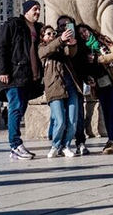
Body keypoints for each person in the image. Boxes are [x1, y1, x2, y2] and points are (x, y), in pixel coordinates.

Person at [0, 0, 44, 160]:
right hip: (14, 75)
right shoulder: (14, 24)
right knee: (15, 108)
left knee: (21, 109)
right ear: (26, 11)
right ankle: (15, 145)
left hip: (29, 77)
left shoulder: (38, 28)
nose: (37, 12)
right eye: (34, 9)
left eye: (39, 9)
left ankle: (15, 147)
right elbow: (2, 47)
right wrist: (3, 71)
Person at [78, 24, 113, 154]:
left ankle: (112, 140)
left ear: (89, 30)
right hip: (99, 84)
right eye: (80, 33)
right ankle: (111, 141)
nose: (84, 34)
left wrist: (99, 59)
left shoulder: (102, 40)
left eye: (85, 30)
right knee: (106, 111)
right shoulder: (82, 49)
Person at [56, 14, 94, 155]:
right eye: (62, 26)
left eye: (68, 25)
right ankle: (59, 144)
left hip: (76, 80)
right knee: (59, 115)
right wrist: (61, 40)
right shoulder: (55, 39)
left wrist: (87, 76)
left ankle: (80, 142)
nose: (65, 28)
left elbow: (83, 61)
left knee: (77, 114)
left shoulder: (78, 41)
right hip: (59, 82)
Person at [39, 25, 79, 157]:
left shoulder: (61, 48)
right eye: (48, 34)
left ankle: (66, 145)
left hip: (70, 86)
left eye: (53, 33)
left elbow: (71, 53)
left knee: (72, 120)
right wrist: (60, 40)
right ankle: (55, 145)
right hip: (54, 87)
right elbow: (46, 51)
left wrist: (72, 44)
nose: (51, 36)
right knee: (60, 120)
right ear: (43, 37)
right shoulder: (42, 49)